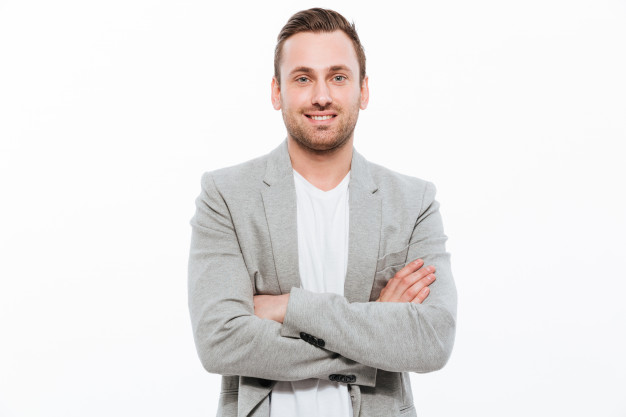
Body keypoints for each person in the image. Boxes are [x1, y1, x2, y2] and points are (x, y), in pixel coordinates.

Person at [188, 8, 457, 417]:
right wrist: (375, 336)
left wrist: (288, 306)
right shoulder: (225, 196)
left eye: (338, 77)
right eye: (302, 78)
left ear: (363, 90)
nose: (321, 96)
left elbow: (432, 340)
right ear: (276, 91)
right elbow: (219, 342)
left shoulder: (413, 201)